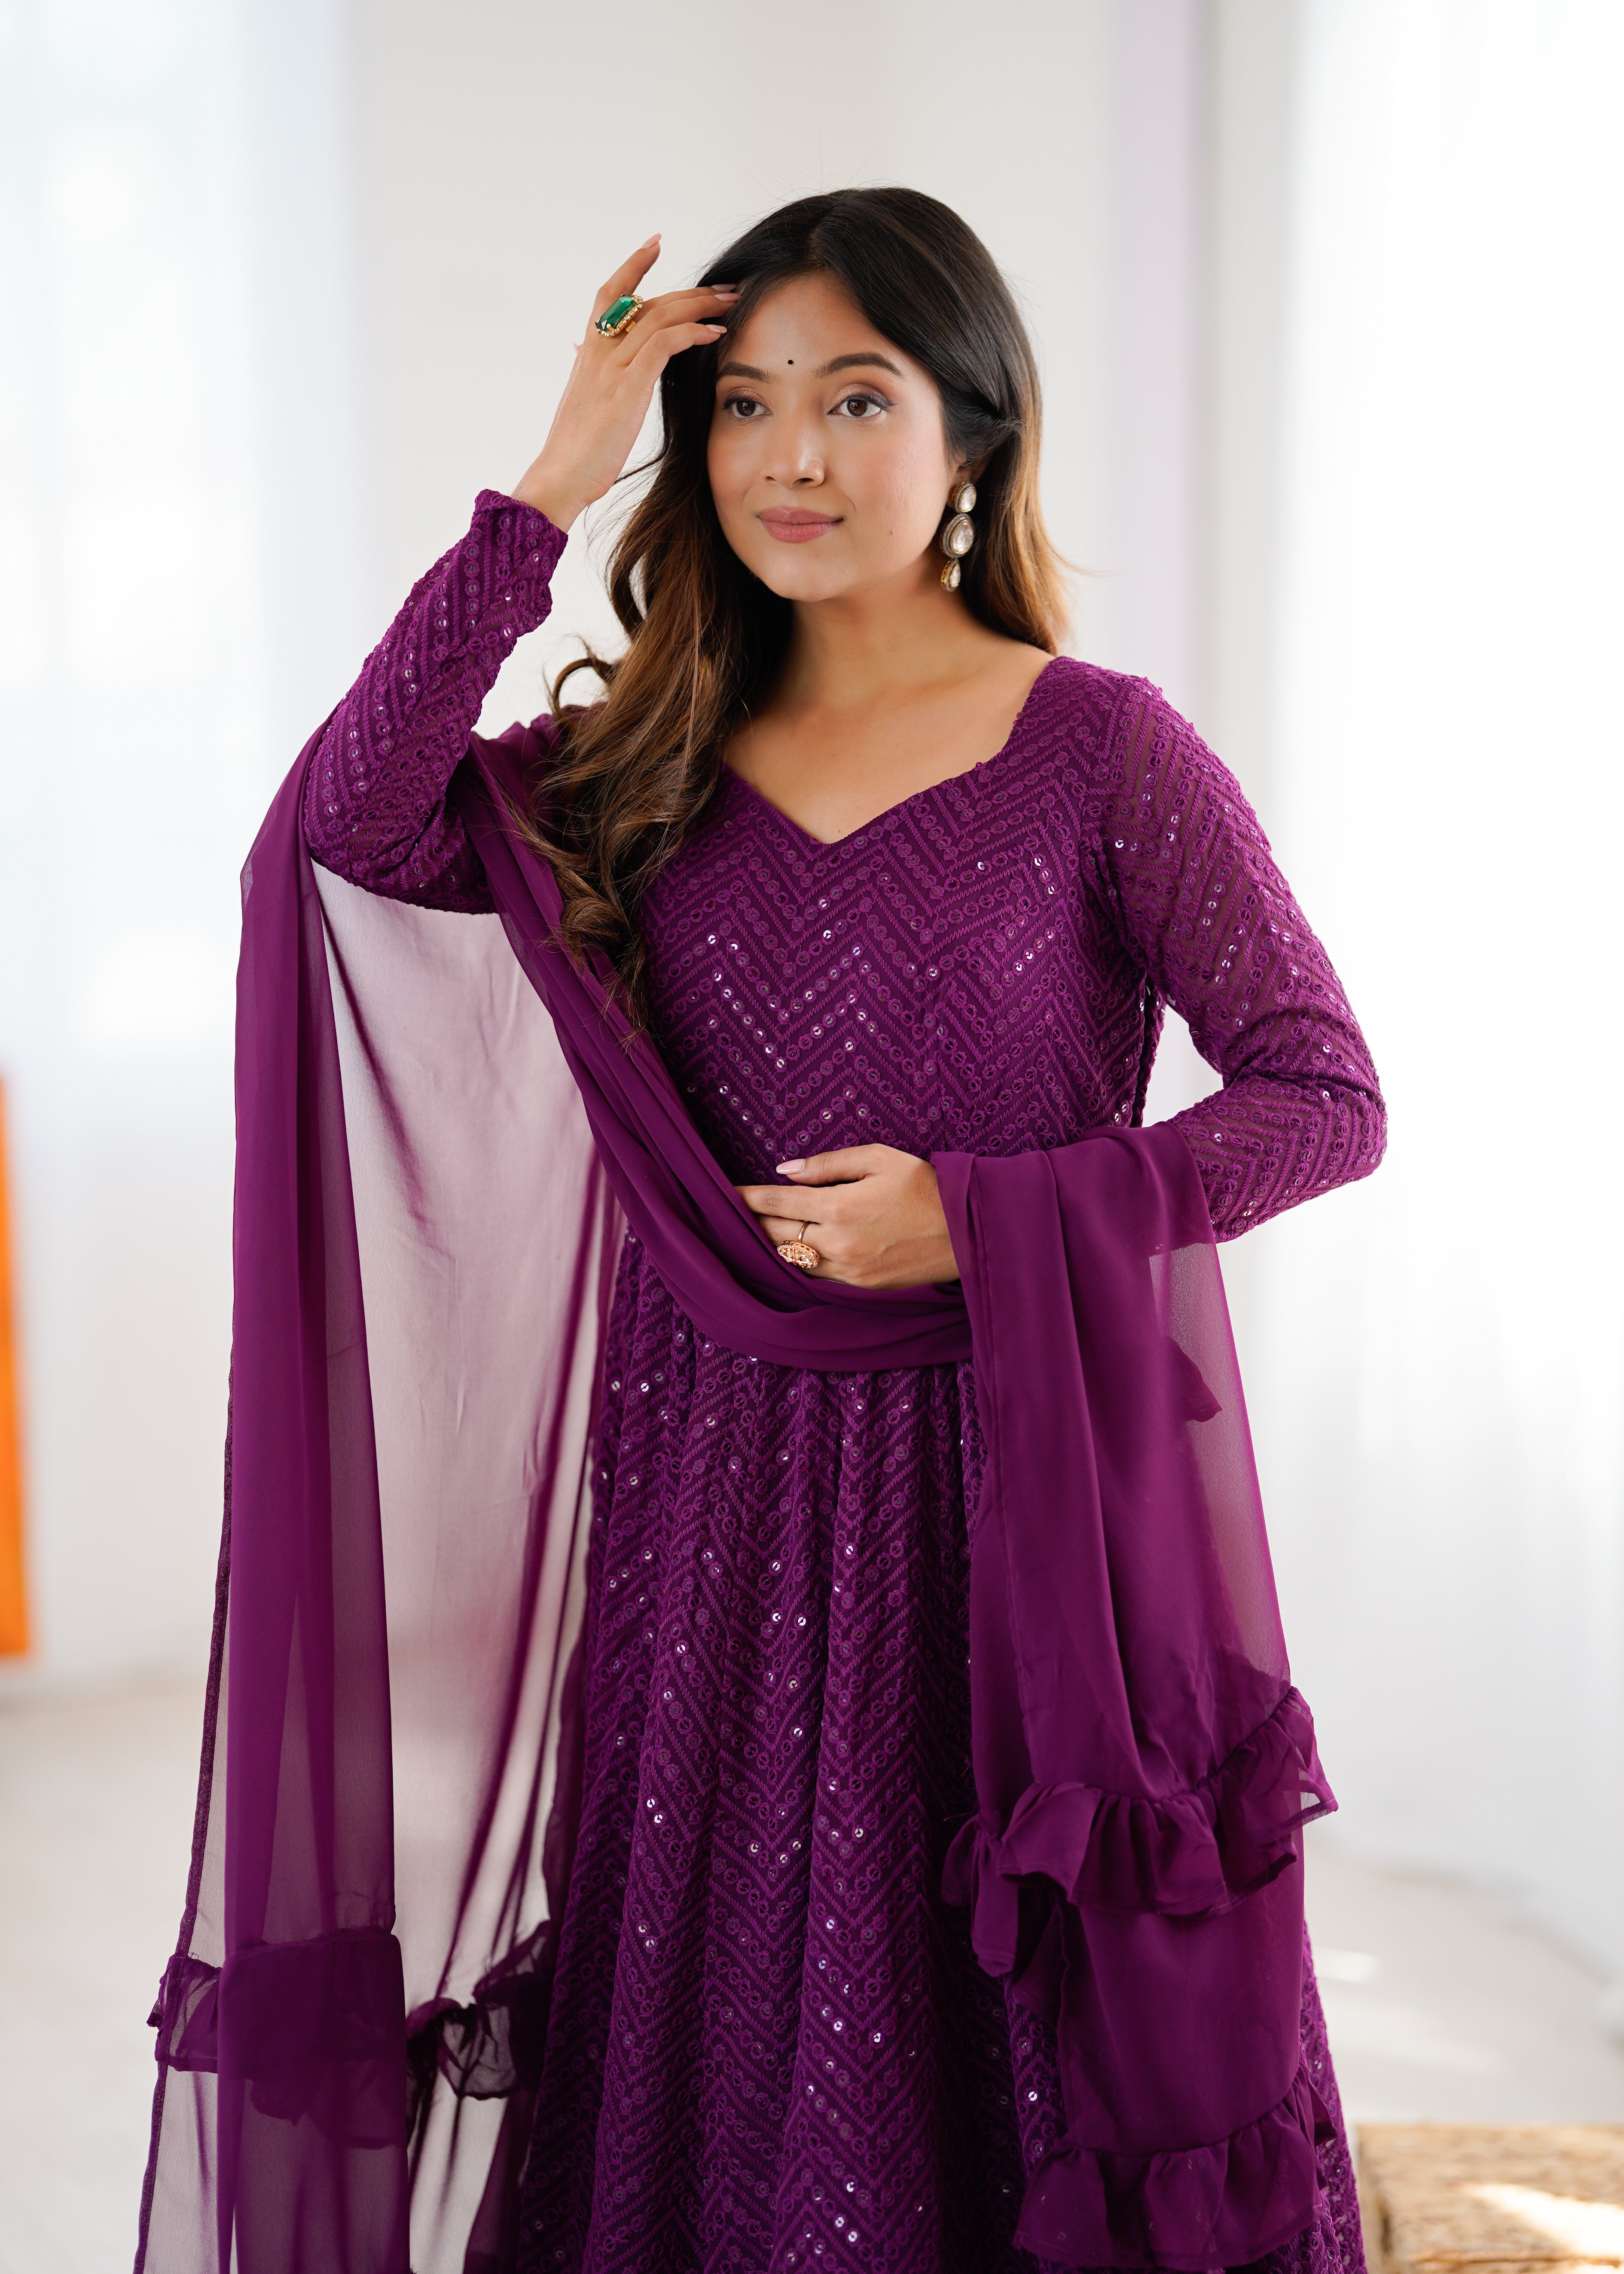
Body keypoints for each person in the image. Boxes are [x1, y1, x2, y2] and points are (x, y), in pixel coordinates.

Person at [144, 189, 1384, 2274]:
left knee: (1011, 2039)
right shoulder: (639, 754)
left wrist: (989, 1227)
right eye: (740, 407)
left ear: (975, 440)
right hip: (710, 1513)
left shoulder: (1103, 753)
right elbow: (343, 834)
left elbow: (1323, 1099)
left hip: (1018, 1523)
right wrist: (552, 476)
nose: (789, 457)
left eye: (857, 398)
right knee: (721, 2032)